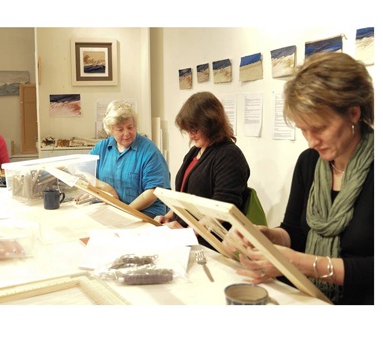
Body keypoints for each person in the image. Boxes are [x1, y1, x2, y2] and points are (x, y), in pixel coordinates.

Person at [222, 52, 374, 305]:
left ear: (353, 113)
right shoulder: (309, 162)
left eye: (320, 128)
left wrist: (300, 263)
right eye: (303, 129)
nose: (311, 141)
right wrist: (267, 235)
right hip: (307, 298)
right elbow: (295, 230)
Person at [154, 91, 250, 250]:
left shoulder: (229, 155)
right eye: (188, 129)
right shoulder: (195, 152)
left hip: (209, 243)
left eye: (195, 129)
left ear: (211, 124)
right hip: (187, 235)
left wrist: (188, 233)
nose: (191, 135)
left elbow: (222, 207)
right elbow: (183, 195)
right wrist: (169, 215)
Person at [85, 100, 171, 218]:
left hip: (144, 213)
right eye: (120, 129)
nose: (126, 133)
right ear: (110, 130)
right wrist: (104, 187)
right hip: (112, 208)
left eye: (130, 127)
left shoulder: (149, 151)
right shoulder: (102, 148)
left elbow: (152, 192)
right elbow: (83, 171)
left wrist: (125, 212)